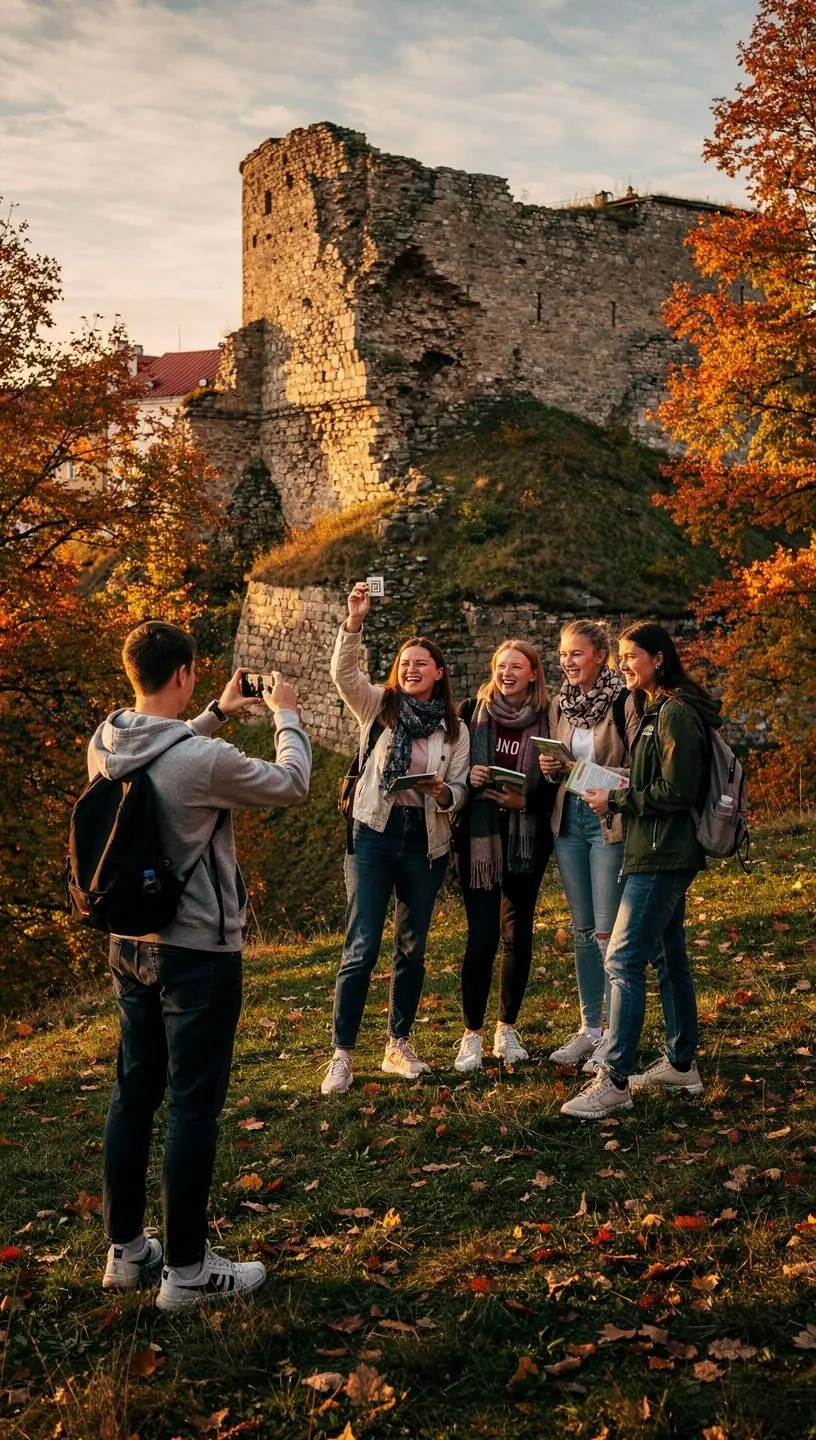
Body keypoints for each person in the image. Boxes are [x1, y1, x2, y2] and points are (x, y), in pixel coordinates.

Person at [90, 621, 311, 1309]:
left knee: (134, 1093)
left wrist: (216, 712)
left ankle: (125, 1250)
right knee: (192, 1106)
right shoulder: (201, 763)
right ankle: (186, 1270)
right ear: (183, 672)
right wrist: (287, 714)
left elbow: (169, 753)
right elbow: (293, 783)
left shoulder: (103, 741)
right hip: (197, 952)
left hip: (131, 941)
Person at [560, 621, 719, 1120]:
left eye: (631, 657)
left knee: (622, 961)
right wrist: (622, 781)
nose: (623, 665)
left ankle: (615, 1079)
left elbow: (679, 792)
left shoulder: (673, 713)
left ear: (658, 659)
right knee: (670, 958)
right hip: (654, 849)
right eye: (621, 657)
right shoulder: (657, 710)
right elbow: (663, 780)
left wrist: (619, 798)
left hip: (662, 853)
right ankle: (680, 1063)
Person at [322, 581, 470, 1095]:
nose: (411, 669)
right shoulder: (379, 707)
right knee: (362, 945)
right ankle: (342, 1054)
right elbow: (344, 674)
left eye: (421, 663)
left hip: (425, 840)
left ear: (439, 673)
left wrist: (443, 794)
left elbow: (460, 788)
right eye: (405, 662)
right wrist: (354, 621)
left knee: (412, 946)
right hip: (376, 834)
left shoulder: (453, 729)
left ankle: (397, 1044)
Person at [539, 620, 635, 1075]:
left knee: (605, 934)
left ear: (600, 655)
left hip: (608, 822)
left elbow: (636, 771)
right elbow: (564, 763)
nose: (567, 662)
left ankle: (615, 1038)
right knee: (580, 930)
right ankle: (590, 1029)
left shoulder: (624, 701)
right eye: (563, 654)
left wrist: (591, 779)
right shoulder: (562, 702)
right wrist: (552, 764)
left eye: (576, 654)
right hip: (569, 821)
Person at [452, 640, 553, 1072]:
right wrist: (470, 777)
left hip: (526, 839)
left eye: (517, 666)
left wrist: (524, 803)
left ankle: (506, 1028)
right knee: (481, 937)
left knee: (518, 933)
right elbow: (449, 768)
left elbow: (557, 781)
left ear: (533, 673)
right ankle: (471, 1034)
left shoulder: (549, 719)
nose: (507, 673)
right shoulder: (469, 712)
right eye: (501, 666)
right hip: (479, 841)